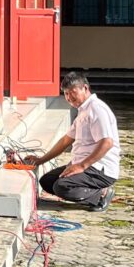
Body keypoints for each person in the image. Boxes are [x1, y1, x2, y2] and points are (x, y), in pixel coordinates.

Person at [24, 72, 120, 212]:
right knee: (47, 181)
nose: (69, 97)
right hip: (82, 164)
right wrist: (40, 160)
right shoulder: (83, 110)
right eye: (66, 93)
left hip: (99, 169)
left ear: (85, 88)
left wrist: (81, 166)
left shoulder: (97, 109)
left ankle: (102, 194)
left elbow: (107, 142)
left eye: (73, 92)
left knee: (62, 187)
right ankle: (87, 188)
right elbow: (65, 140)